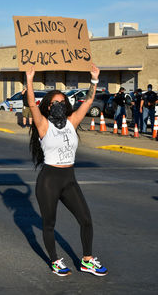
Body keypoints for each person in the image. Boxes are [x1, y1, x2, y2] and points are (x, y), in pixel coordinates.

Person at [26, 65, 108, 277]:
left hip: (69, 179)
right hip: (49, 180)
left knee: (86, 219)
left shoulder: (72, 122)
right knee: (49, 223)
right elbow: (31, 105)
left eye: (63, 102)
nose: (59, 106)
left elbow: (89, 101)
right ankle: (54, 261)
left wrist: (94, 79)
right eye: (55, 103)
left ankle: (87, 260)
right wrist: (29, 80)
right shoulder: (43, 125)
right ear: (47, 106)